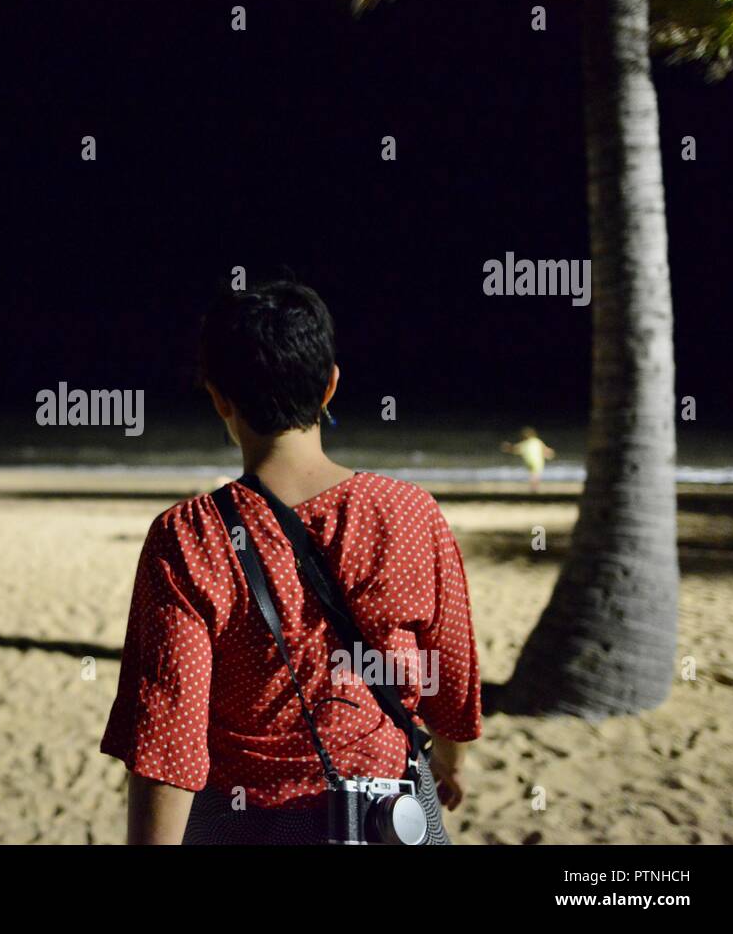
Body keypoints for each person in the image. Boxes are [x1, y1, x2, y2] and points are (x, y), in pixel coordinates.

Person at [100, 281, 482, 844]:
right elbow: (450, 678)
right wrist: (450, 762)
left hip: (246, 825)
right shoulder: (411, 513)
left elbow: (168, 743)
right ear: (330, 386)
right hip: (391, 815)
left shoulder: (189, 536)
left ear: (219, 399)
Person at [501, 427, 555, 493]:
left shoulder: (525, 443)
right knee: (535, 475)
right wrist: (549, 454)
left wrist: (508, 448)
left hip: (528, 461)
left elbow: (516, 449)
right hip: (537, 461)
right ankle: (534, 489)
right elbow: (544, 449)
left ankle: (533, 488)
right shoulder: (537, 441)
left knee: (532, 474)